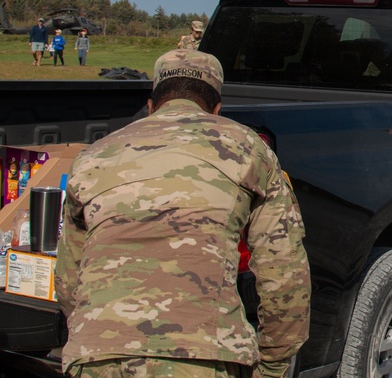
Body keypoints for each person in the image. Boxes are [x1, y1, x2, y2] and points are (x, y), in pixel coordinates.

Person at [54, 49, 311, 378]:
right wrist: (272, 366)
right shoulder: (248, 149)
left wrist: (92, 338)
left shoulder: (94, 156)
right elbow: (285, 273)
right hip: (201, 355)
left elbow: (68, 277)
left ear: (151, 106)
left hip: (95, 355)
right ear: (216, 110)